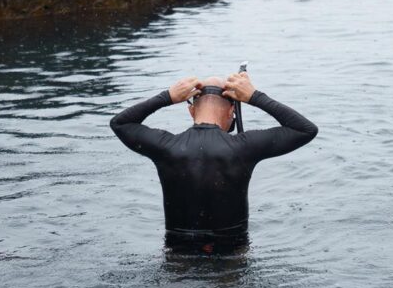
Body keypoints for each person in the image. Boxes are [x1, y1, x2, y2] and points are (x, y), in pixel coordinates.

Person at [110, 71, 318, 252]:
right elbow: (305, 129)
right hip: (231, 252)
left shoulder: (166, 146)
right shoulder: (244, 147)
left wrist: (167, 97)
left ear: (191, 110)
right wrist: (254, 96)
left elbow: (120, 123)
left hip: (178, 252)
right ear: (231, 112)